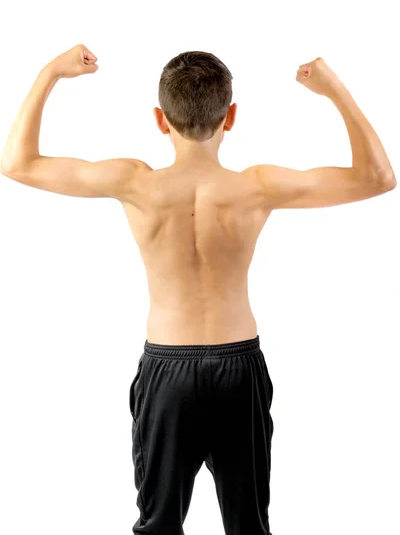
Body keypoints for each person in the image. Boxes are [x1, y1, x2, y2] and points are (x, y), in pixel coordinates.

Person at [0, 45, 396, 535]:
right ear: (230, 117)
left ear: (160, 120)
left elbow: (17, 163)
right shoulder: (257, 186)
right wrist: (333, 88)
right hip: (239, 368)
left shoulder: (135, 183)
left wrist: (49, 73)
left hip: (168, 372)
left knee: (159, 525)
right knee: (248, 526)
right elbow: (379, 178)